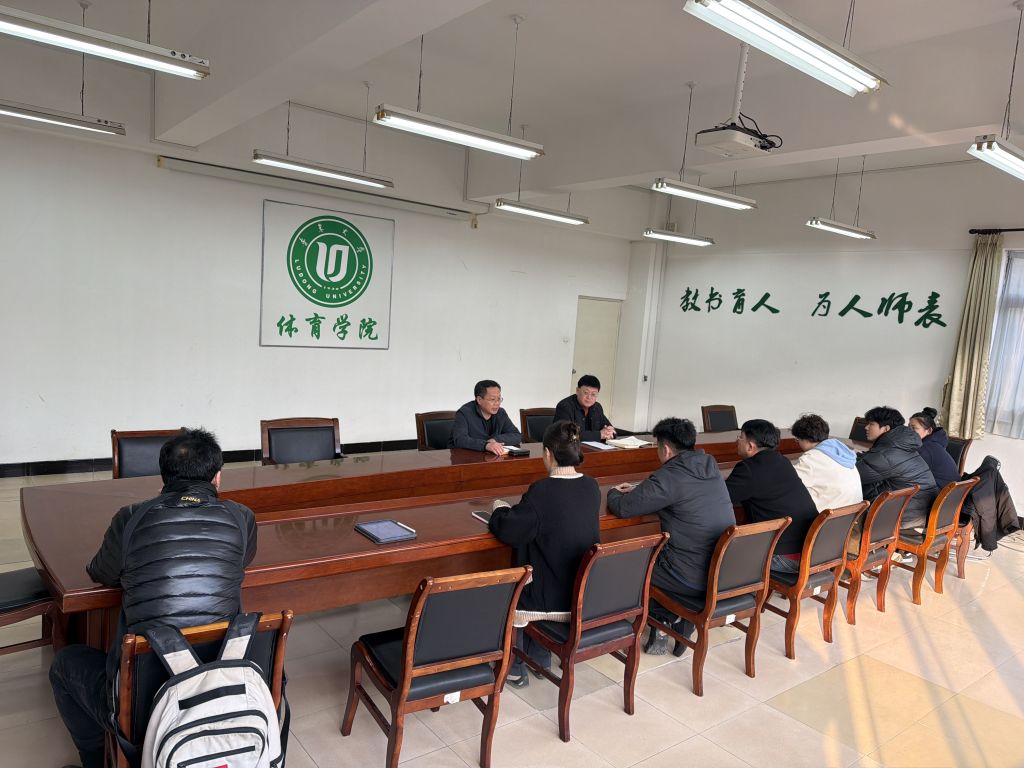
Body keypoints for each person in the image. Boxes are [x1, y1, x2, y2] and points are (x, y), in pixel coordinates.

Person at [49, 428, 257, 768]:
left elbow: (101, 572)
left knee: (64, 665)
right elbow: (241, 560)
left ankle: (94, 762)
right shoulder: (241, 517)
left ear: (163, 477)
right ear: (218, 477)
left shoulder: (132, 517)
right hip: (223, 683)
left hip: (142, 704)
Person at [607, 417, 734, 655]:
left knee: (626, 564)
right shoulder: (708, 465)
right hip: (721, 572)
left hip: (689, 576)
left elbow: (624, 508)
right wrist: (644, 489)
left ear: (665, 449)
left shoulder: (671, 476)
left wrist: (613, 492)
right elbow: (680, 491)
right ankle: (676, 620)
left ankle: (661, 617)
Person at [488, 420, 601, 687]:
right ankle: (540, 659)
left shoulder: (542, 490)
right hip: (580, 592)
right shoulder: (591, 486)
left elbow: (510, 530)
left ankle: (515, 668)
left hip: (547, 597)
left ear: (548, 453)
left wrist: (499, 509)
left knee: (519, 575)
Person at [726, 419, 818, 574]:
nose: (737, 441)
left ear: (750, 446)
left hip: (785, 557)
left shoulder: (748, 469)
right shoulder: (782, 461)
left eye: (740, 437)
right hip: (812, 551)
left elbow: (720, 500)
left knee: (721, 553)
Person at [856, 406, 937, 531]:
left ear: (886, 429)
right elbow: (872, 464)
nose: (866, 427)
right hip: (919, 509)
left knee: (843, 499)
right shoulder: (900, 445)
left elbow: (854, 475)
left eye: (871, 424)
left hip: (904, 516)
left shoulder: (888, 453)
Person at [791, 414, 863, 512]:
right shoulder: (842, 452)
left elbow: (788, 483)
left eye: (797, 440)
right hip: (854, 514)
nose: (798, 443)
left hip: (828, 517)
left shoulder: (812, 458)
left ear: (805, 439)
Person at [450, 379, 523, 455]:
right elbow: (460, 440)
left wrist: (495, 440)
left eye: (499, 399)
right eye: (492, 399)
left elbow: (517, 435)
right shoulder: (464, 413)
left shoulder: (501, 413)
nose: (497, 403)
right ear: (479, 400)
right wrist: (486, 445)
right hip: (464, 457)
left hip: (490, 457)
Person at [909, 406, 960, 489]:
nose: (908, 431)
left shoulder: (926, 448)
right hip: (951, 490)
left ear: (929, 431)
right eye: (908, 427)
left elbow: (910, 472)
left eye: (914, 428)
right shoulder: (933, 443)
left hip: (943, 492)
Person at [554, 374, 616, 442]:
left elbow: (611, 430)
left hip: (591, 447)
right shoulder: (564, 406)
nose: (589, 397)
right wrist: (599, 435)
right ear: (577, 391)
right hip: (568, 448)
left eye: (593, 394)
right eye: (586, 393)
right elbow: (568, 435)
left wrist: (610, 431)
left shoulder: (597, 407)